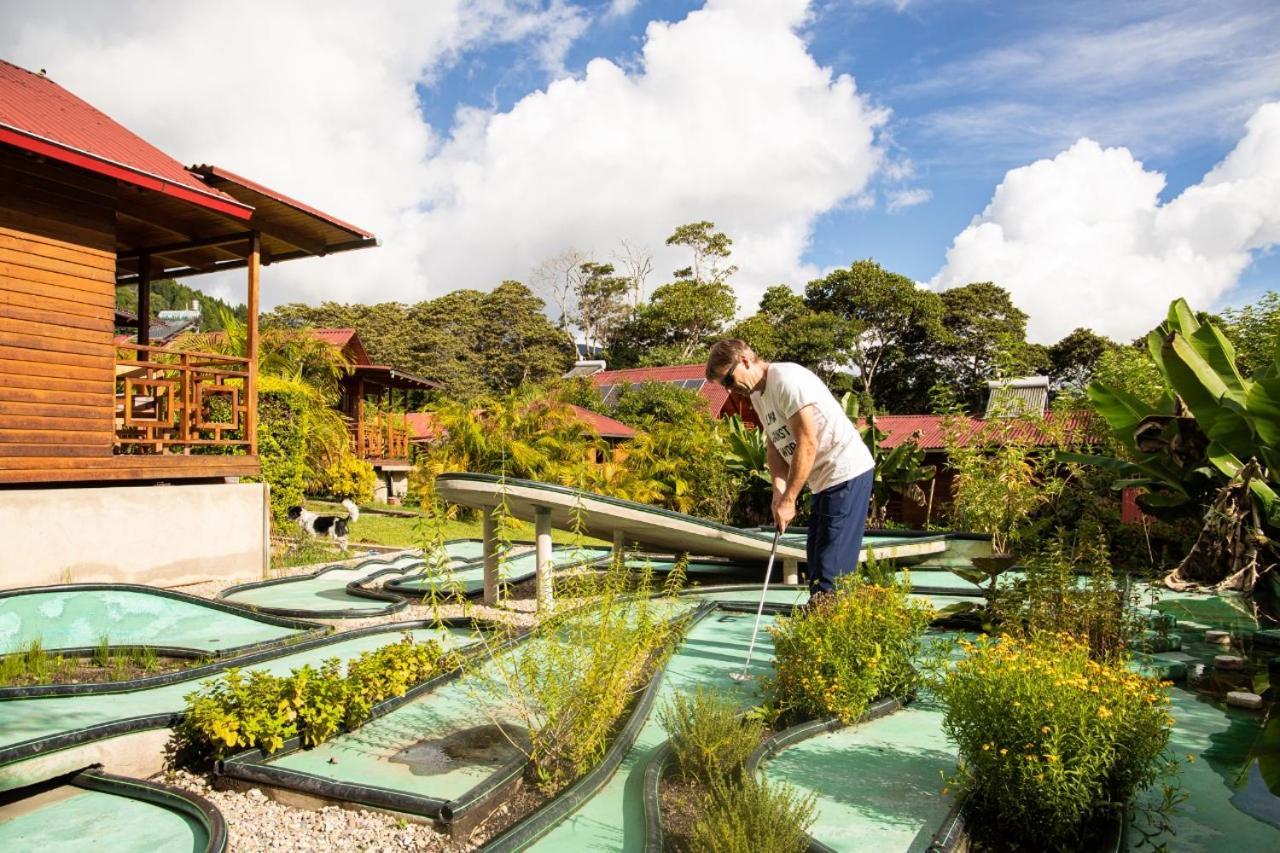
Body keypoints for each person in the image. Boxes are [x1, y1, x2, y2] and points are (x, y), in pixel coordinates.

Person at [705, 339, 874, 598]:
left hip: (845, 472)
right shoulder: (758, 396)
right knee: (816, 562)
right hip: (823, 482)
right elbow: (775, 446)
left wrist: (790, 500)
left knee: (831, 569)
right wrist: (778, 492)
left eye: (728, 380)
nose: (730, 390)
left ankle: (832, 626)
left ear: (745, 360)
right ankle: (819, 625)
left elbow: (807, 442)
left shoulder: (786, 379)